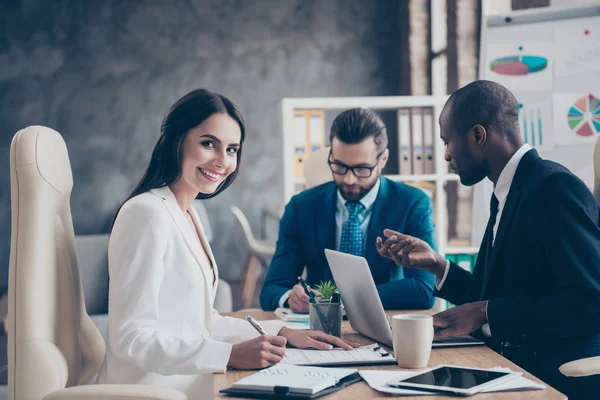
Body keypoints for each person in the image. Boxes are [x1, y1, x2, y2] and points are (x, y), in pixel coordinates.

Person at [99, 89, 357, 396]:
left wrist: (283, 332)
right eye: (209, 144)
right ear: (177, 139)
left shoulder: (187, 212)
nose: (222, 161)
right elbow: (132, 338)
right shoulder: (146, 213)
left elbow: (199, 322)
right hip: (155, 390)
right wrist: (230, 355)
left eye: (232, 150)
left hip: (192, 379)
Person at [376, 80, 600, 399]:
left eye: (447, 141)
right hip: (508, 365)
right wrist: (439, 267)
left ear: (478, 136)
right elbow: (493, 294)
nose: (445, 155)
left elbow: (592, 303)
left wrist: (485, 313)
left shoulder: (553, 188)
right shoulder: (508, 191)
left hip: (552, 375)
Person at [260, 108, 437, 313]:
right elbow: (271, 290)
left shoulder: (412, 204)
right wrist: (290, 298)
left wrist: (346, 300)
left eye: (362, 169)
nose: (349, 179)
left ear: (383, 159)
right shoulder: (301, 207)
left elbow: (424, 289)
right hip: (318, 329)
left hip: (383, 323)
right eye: (339, 166)